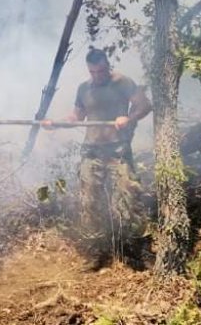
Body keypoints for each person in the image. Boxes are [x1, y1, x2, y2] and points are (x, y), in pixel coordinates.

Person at [42, 48, 152, 267]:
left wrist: (128, 118)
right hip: (91, 152)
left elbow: (145, 105)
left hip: (118, 151)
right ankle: (96, 254)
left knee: (129, 199)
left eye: (101, 71)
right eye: (93, 72)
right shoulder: (84, 88)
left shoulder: (123, 82)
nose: (98, 76)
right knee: (90, 203)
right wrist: (56, 124)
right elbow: (77, 116)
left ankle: (134, 251)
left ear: (107, 66)